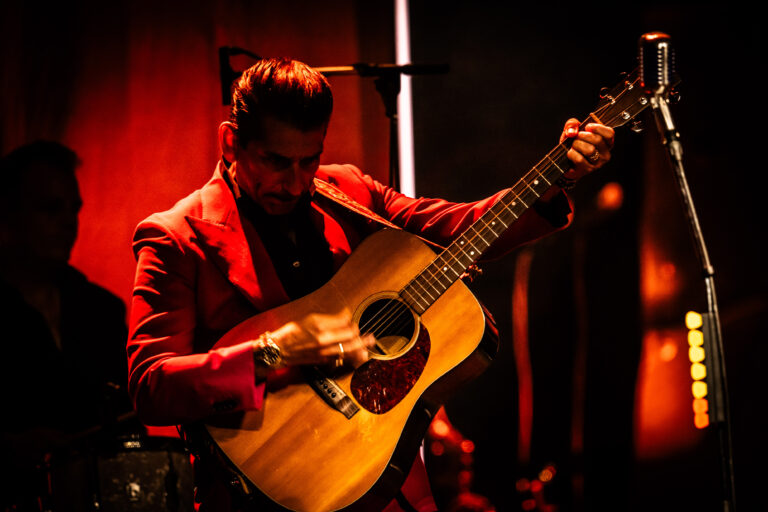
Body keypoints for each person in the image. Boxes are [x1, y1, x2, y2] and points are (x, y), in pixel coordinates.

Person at [127, 57, 614, 511]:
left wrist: (556, 177)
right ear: (230, 142)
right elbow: (152, 385)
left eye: (309, 160)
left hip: (386, 487)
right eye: (276, 162)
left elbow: (456, 227)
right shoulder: (175, 236)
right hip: (264, 495)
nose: (296, 183)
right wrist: (272, 352)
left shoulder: (349, 191)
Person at [0, 141, 133, 509]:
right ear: (8, 215)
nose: (68, 223)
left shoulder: (101, 310)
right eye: (50, 208)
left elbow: (126, 420)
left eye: (73, 209)